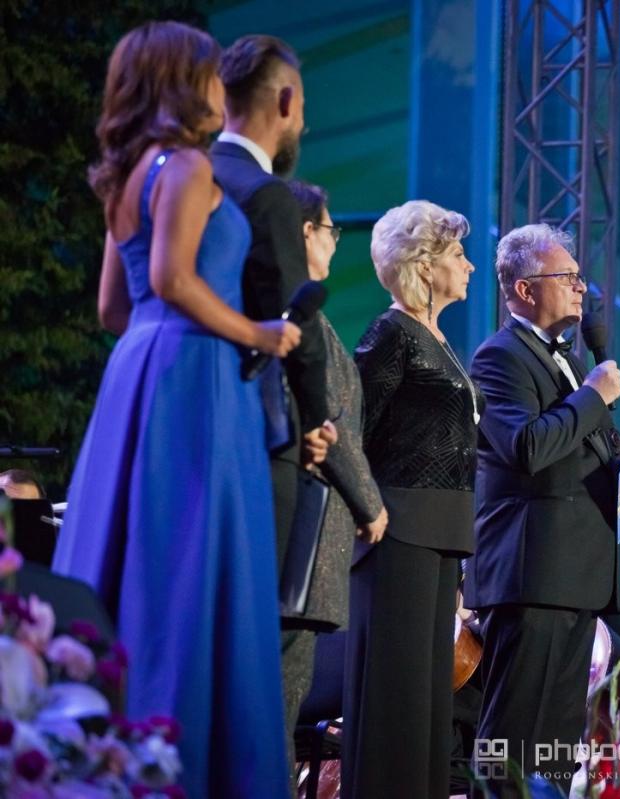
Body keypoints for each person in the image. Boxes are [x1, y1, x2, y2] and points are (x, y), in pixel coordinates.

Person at [51, 21, 297, 797]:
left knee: (138, 561)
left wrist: (160, 341)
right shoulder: (188, 165)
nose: (222, 88)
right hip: (197, 380)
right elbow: (174, 278)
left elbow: (114, 308)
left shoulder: (129, 176)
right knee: (191, 566)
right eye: (211, 73)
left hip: (139, 371)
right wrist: (256, 333)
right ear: (186, 82)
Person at [466, 224, 620, 795]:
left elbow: (583, 446)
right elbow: (527, 447)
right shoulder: (499, 358)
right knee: (511, 743)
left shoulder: (570, 361)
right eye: (566, 276)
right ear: (525, 290)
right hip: (534, 576)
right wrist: (593, 395)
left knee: (553, 750)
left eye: (579, 276)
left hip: (578, 578)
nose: (580, 287)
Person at [211, 35, 337, 773]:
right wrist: (316, 419)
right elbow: (295, 325)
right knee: (253, 626)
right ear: (285, 101)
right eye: (304, 108)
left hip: (181, 408)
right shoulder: (266, 196)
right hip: (259, 433)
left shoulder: (183, 175)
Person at [343, 200, 478, 798]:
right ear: (424, 266)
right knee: (397, 699)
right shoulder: (392, 333)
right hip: (399, 534)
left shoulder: (436, 338)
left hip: (441, 534)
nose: (469, 266)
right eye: (458, 254)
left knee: (428, 704)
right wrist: (368, 510)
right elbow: (351, 430)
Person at [282, 179, 388, 764]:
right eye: (330, 230)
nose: (335, 241)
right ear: (305, 233)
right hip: (302, 532)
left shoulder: (308, 314)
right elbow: (331, 420)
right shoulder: (295, 314)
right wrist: (371, 504)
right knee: (279, 700)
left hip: (312, 531)